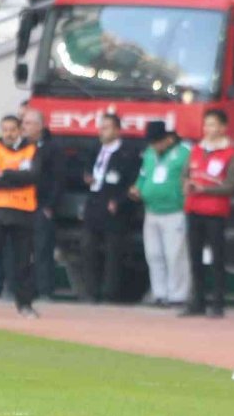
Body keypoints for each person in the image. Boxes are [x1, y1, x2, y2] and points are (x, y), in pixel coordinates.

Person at [0, 115, 41, 317]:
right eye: (5, 130)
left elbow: (33, 176)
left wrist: (7, 173)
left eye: (12, 129)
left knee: (23, 262)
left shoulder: (32, 150)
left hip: (23, 212)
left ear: (20, 130)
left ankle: (25, 304)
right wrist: (18, 176)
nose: (9, 134)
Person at [181, 109, 234, 318]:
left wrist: (205, 189)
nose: (208, 129)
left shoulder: (230, 154)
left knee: (217, 258)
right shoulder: (196, 150)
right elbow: (185, 174)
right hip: (193, 209)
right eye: (206, 124)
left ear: (223, 128)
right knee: (194, 258)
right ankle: (197, 301)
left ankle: (218, 302)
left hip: (215, 212)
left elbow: (232, 185)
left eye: (213, 124)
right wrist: (186, 184)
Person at [80, 114, 140, 303]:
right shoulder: (94, 149)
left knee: (113, 252)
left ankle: (109, 293)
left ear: (117, 130)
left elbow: (132, 181)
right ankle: (91, 291)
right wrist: (86, 176)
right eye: (101, 127)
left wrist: (120, 201)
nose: (101, 131)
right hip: (95, 202)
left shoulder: (128, 153)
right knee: (88, 247)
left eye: (106, 127)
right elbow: (85, 169)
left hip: (114, 206)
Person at [130, 120, 190, 307]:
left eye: (157, 142)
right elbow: (143, 175)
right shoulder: (149, 153)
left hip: (175, 211)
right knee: (154, 254)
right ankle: (159, 293)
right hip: (151, 210)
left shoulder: (184, 154)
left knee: (175, 255)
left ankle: (178, 295)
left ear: (169, 139)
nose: (153, 145)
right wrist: (137, 188)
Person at [21, 108, 64, 300]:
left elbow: (58, 179)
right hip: (20, 205)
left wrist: (50, 206)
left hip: (41, 206)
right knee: (19, 249)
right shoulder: (19, 147)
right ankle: (18, 289)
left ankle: (44, 290)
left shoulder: (52, 148)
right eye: (23, 123)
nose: (24, 127)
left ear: (40, 126)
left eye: (28, 123)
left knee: (42, 249)